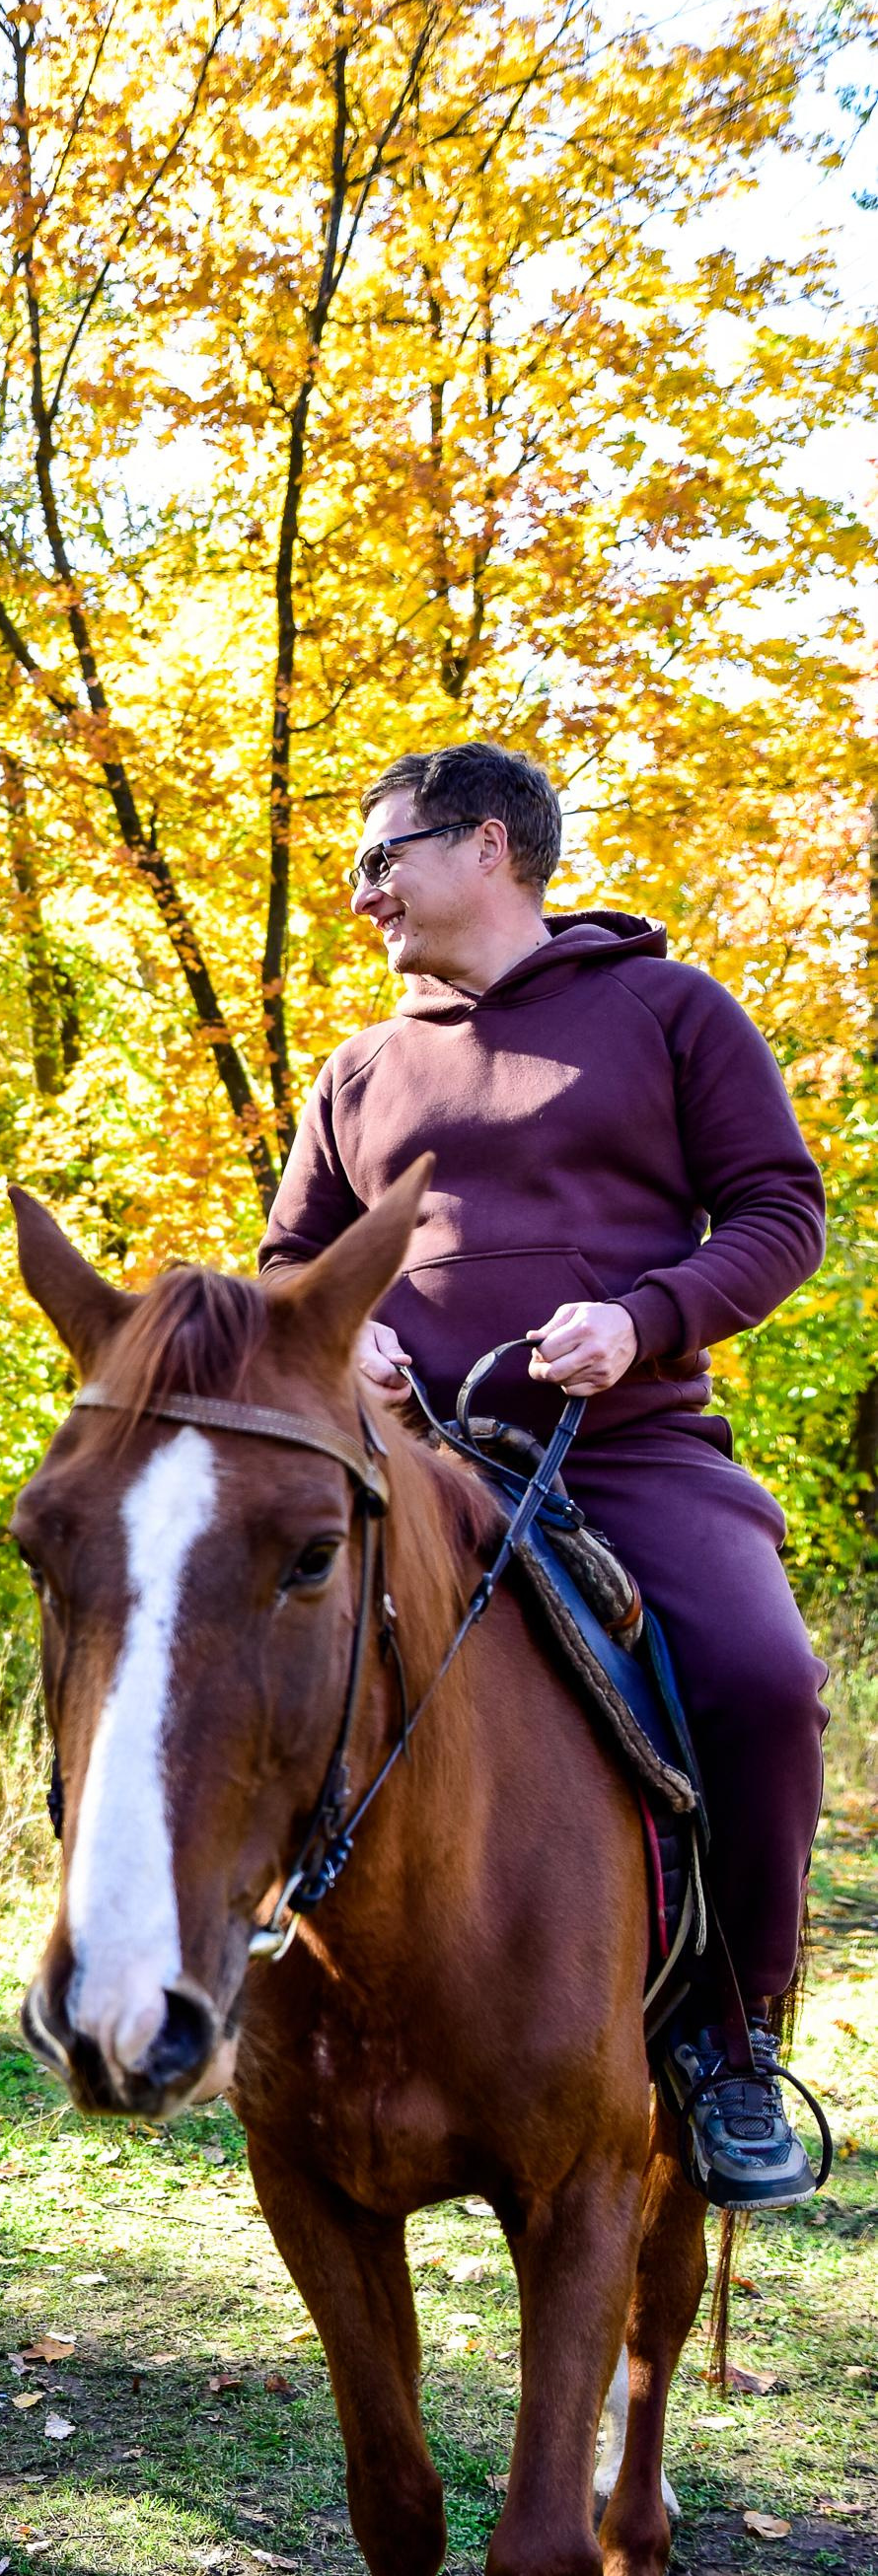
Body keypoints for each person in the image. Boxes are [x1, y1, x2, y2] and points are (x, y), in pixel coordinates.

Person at [259, 738, 829, 2209]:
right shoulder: (358, 1069)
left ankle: (725, 2045)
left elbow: (776, 1211)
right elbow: (287, 1262)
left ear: (488, 849)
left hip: (624, 1453)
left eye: (381, 855)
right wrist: (351, 1337)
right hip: (411, 1465)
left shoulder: (668, 1010)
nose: (360, 887)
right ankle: (209, 1983)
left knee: (764, 1681)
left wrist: (642, 1321)